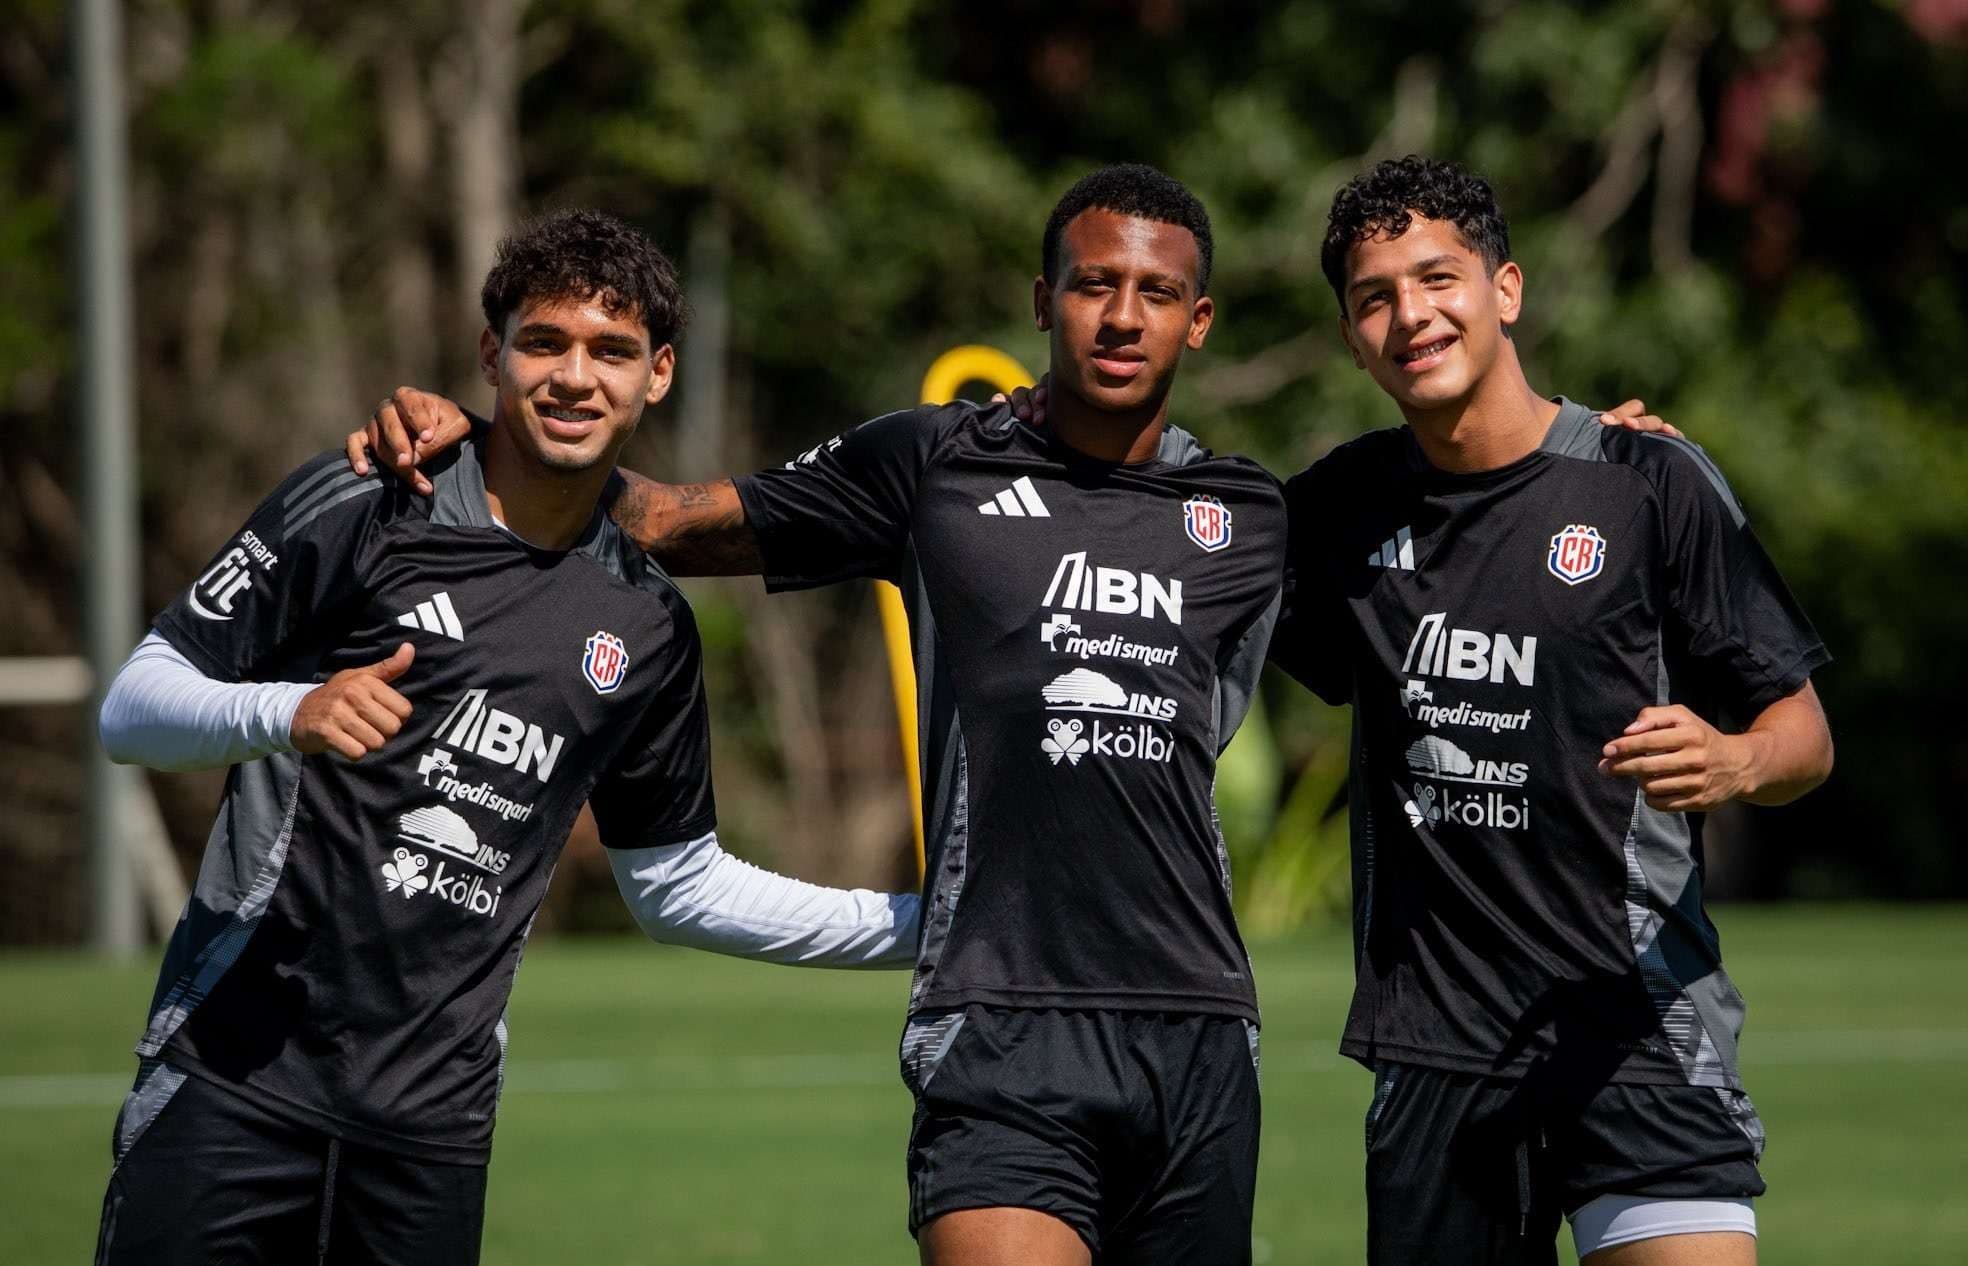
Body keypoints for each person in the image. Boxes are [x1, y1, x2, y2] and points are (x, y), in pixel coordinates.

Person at [350, 164, 1288, 1266]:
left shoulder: (1251, 514)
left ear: (1200, 319)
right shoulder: (933, 461)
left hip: (1196, 1024)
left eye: (1156, 293)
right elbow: (662, 520)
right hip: (996, 1018)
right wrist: (483, 432)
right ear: (1042, 302)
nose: (1122, 317)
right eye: (1091, 285)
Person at [94, 209, 919, 1266]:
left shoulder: (649, 626)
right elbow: (133, 705)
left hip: (430, 1139)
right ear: (492, 353)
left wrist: (925, 922)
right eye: (545, 343)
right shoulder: (367, 498)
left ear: (657, 375)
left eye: (612, 352)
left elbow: (678, 887)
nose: (575, 378)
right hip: (230, 1087)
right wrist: (287, 713)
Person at [1273, 156, 1834, 1265]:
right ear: (1349, 336)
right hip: (1434, 1058)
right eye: (1371, 298)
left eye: (1436, 278)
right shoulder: (1333, 510)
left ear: (1505, 289)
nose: (1408, 315)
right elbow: (1153, 528)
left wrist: (1732, 762)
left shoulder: (1647, 483)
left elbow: (1803, 732)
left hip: (1637, 1028)